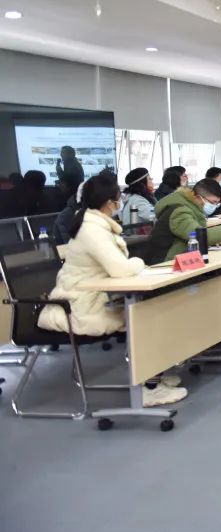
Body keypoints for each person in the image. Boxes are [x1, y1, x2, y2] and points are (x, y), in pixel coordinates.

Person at [38, 174, 188, 407]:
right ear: (109, 202)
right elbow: (120, 269)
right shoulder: (92, 230)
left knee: (154, 310)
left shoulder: (96, 225)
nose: (121, 202)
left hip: (94, 300)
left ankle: (153, 376)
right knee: (146, 316)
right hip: (80, 309)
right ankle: (148, 388)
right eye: (119, 198)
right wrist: (139, 263)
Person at [145, 178, 221, 263]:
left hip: (182, 260)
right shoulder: (179, 212)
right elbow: (199, 235)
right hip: (165, 264)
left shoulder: (192, 208)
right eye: (212, 202)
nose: (214, 206)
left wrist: (215, 240)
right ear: (198, 197)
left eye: (217, 204)